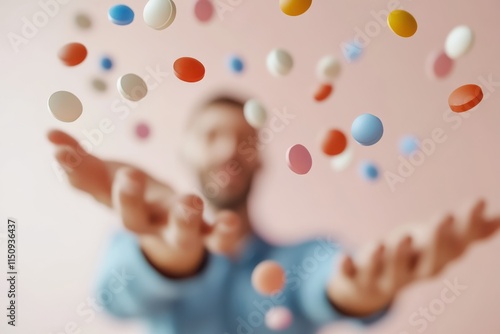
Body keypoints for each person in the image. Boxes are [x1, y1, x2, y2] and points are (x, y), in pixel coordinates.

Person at [47, 94, 500, 334]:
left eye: (244, 139)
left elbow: (328, 280)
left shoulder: (306, 257)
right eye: (211, 136)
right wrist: (169, 260)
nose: (228, 149)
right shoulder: (135, 241)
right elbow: (112, 299)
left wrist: (353, 289)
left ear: (261, 158)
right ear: (185, 150)